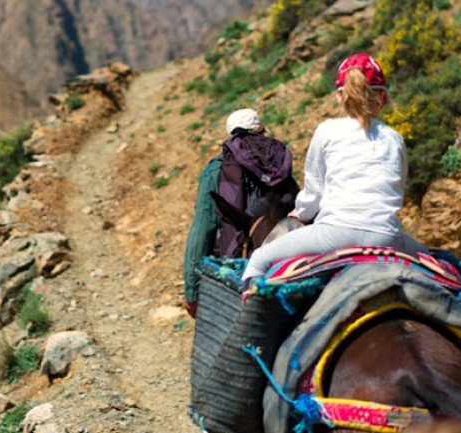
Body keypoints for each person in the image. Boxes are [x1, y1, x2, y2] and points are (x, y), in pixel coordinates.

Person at [241, 53, 428, 284]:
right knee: (439, 264)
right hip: (386, 236)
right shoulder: (394, 138)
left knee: (260, 258)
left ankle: (251, 312)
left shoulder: (327, 131)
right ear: (382, 97)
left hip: (334, 235)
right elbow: (397, 191)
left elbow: (315, 190)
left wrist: (302, 212)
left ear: (340, 97)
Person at [183, 108, 300, 317]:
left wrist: (192, 288)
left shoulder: (217, 169)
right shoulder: (278, 162)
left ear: (230, 136)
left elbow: (203, 229)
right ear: (262, 131)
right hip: (286, 263)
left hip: (237, 266)